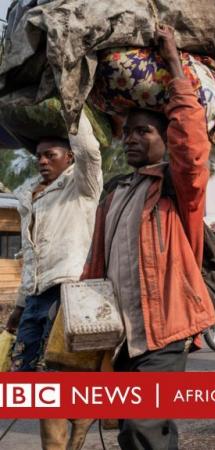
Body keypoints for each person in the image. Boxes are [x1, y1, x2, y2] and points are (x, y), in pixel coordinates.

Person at [81, 25, 215, 449]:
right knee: (137, 429)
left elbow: (192, 147)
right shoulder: (117, 194)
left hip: (165, 331)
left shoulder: (178, 190)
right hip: (122, 333)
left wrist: (174, 61)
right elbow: (95, 268)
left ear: (165, 139)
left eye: (145, 131)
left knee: (143, 425)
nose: (132, 139)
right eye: (128, 132)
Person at [5, 112, 102, 448]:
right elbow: (29, 255)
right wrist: (19, 305)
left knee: (53, 378)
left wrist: (74, 106)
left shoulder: (81, 186)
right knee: (25, 380)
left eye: (51, 155)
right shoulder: (29, 198)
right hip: (35, 296)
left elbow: (90, 150)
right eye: (39, 157)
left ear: (70, 158)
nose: (42, 162)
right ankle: (82, 415)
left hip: (69, 292)